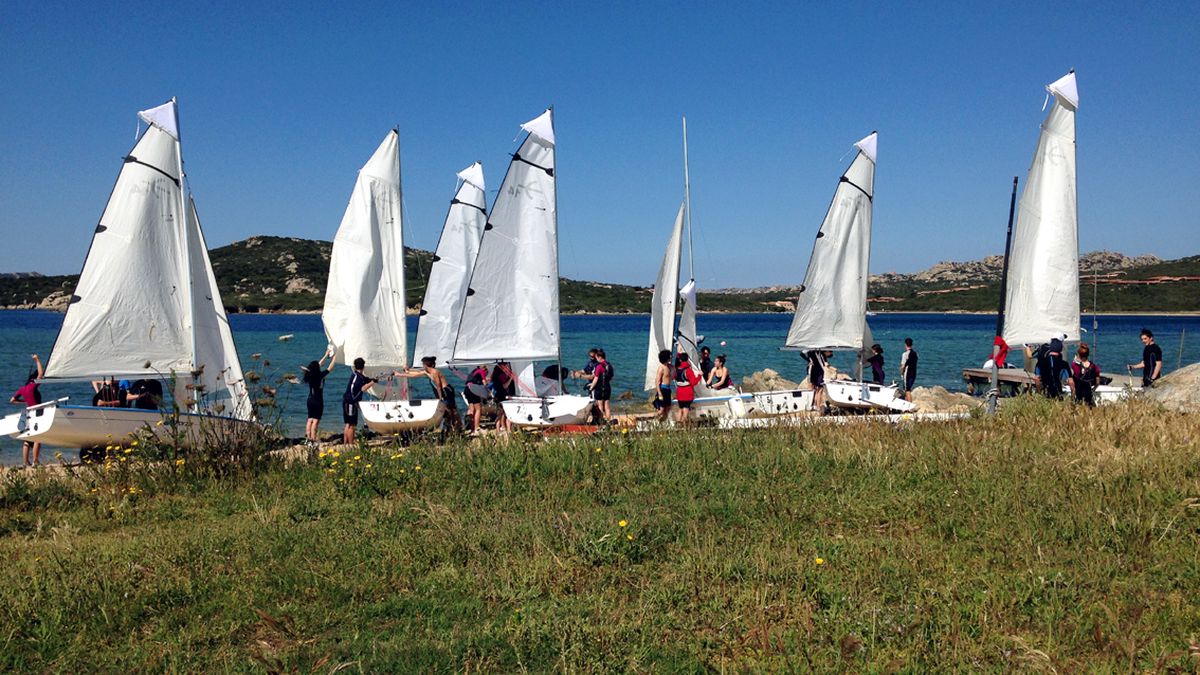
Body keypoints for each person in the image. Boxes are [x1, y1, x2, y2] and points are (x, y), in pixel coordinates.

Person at [396, 357, 462, 434]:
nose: (423, 366)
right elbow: (415, 374)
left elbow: (438, 385)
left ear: (425, 365)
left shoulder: (435, 372)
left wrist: (440, 398)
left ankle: (457, 426)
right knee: (448, 409)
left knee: (451, 409)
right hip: (442, 391)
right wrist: (401, 373)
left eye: (423, 365)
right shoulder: (427, 372)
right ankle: (453, 426)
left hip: (446, 391)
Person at [10, 354, 43, 466]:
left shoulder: (22, 389)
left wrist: (24, 402)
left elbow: (12, 400)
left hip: (26, 412)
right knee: (38, 437)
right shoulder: (33, 386)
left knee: (27, 439)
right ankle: (35, 461)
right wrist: (37, 360)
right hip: (36, 412)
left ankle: (25, 462)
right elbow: (40, 374)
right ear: (33, 380)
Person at [301, 348, 336, 443]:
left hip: (310, 400)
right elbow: (330, 368)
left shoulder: (309, 374)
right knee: (315, 421)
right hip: (317, 401)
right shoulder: (319, 375)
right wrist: (335, 358)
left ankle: (308, 439)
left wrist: (326, 355)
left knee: (310, 419)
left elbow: (318, 364)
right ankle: (313, 439)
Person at [341, 357, 377, 444]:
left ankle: (346, 443)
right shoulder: (358, 378)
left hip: (347, 401)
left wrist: (373, 379)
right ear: (363, 367)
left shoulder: (356, 374)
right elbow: (363, 388)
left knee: (347, 423)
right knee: (352, 424)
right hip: (351, 402)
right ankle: (350, 443)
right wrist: (373, 383)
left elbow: (366, 379)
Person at [587, 349, 614, 422]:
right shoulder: (609, 365)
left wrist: (591, 387)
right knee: (607, 405)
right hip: (608, 387)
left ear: (599, 357)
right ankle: (608, 421)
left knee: (600, 406)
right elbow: (611, 377)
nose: (596, 359)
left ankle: (601, 420)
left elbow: (596, 379)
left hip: (600, 388)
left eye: (596, 357)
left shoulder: (599, 366)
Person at [674, 351, 701, 423]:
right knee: (686, 408)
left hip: (679, 392)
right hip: (687, 392)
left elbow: (674, 377)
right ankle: (683, 423)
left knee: (680, 408)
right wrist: (699, 376)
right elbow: (694, 382)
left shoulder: (676, 370)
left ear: (680, 360)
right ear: (687, 359)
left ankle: (678, 423)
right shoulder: (688, 370)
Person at [463, 363, 491, 433]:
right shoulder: (482, 371)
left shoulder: (473, 371)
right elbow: (484, 383)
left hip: (466, 389)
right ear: (484, 369)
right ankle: (476, 428)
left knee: (471, 409)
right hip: (473, 389)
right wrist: (488, 392)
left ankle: (471, 428)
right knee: (478, 409)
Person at [491, 361, 516, 432]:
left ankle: (501, 428)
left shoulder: (495, 377)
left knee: (501, 414)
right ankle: (504, 428)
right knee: (504, 413)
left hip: (498, 396)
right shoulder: (501, 376)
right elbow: (504, 386)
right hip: (501, 397)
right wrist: (511, 378)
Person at [652, 349, 673, 422]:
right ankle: (652, 420)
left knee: (668, 408)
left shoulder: (669, 366)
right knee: (661, 410)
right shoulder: (661, 368)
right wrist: (659, 393)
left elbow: (676, 368)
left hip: (668, 390)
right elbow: (657, 381)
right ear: (666, 358)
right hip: (662, 389)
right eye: (670, 356)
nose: (671, 357)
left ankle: (660, 422)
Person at [806, 350, 829, 415]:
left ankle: (814, 405)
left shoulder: (818, 352)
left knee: (816, 389)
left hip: (816, 370)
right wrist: (809, 361)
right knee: (817, 389)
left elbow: (802, 354)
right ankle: (815, 406)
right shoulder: (815, 351)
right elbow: (802, 353)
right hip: (815, 370)